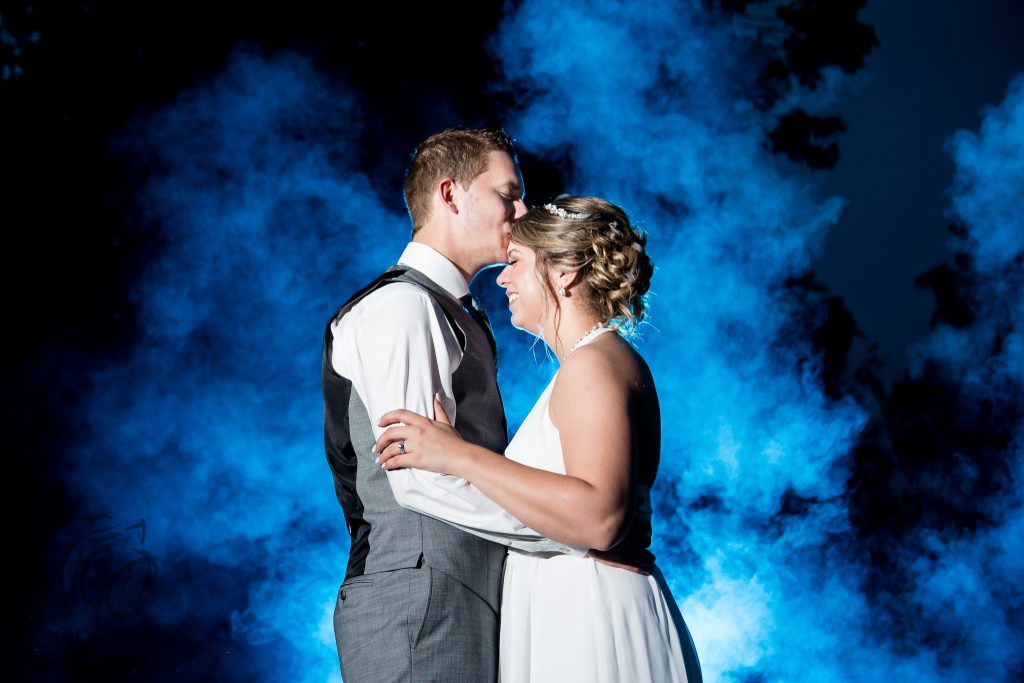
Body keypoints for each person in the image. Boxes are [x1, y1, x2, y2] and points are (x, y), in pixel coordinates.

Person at [374, 195, 703, 682]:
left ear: (566, 272)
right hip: (572, 607)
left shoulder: (593, 365)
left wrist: (458, 456)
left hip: (592, 617)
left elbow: (600, 519)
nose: (501, 278)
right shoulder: (594, 362)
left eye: (515, 262)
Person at [323, 128, 584, 682]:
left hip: (455, 595)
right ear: (450, 194)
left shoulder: (442, 308)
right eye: (508, 194)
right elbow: (420, 480)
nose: (523, 211)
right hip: (420, 601)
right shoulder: (402, 306)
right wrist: (569, 531)